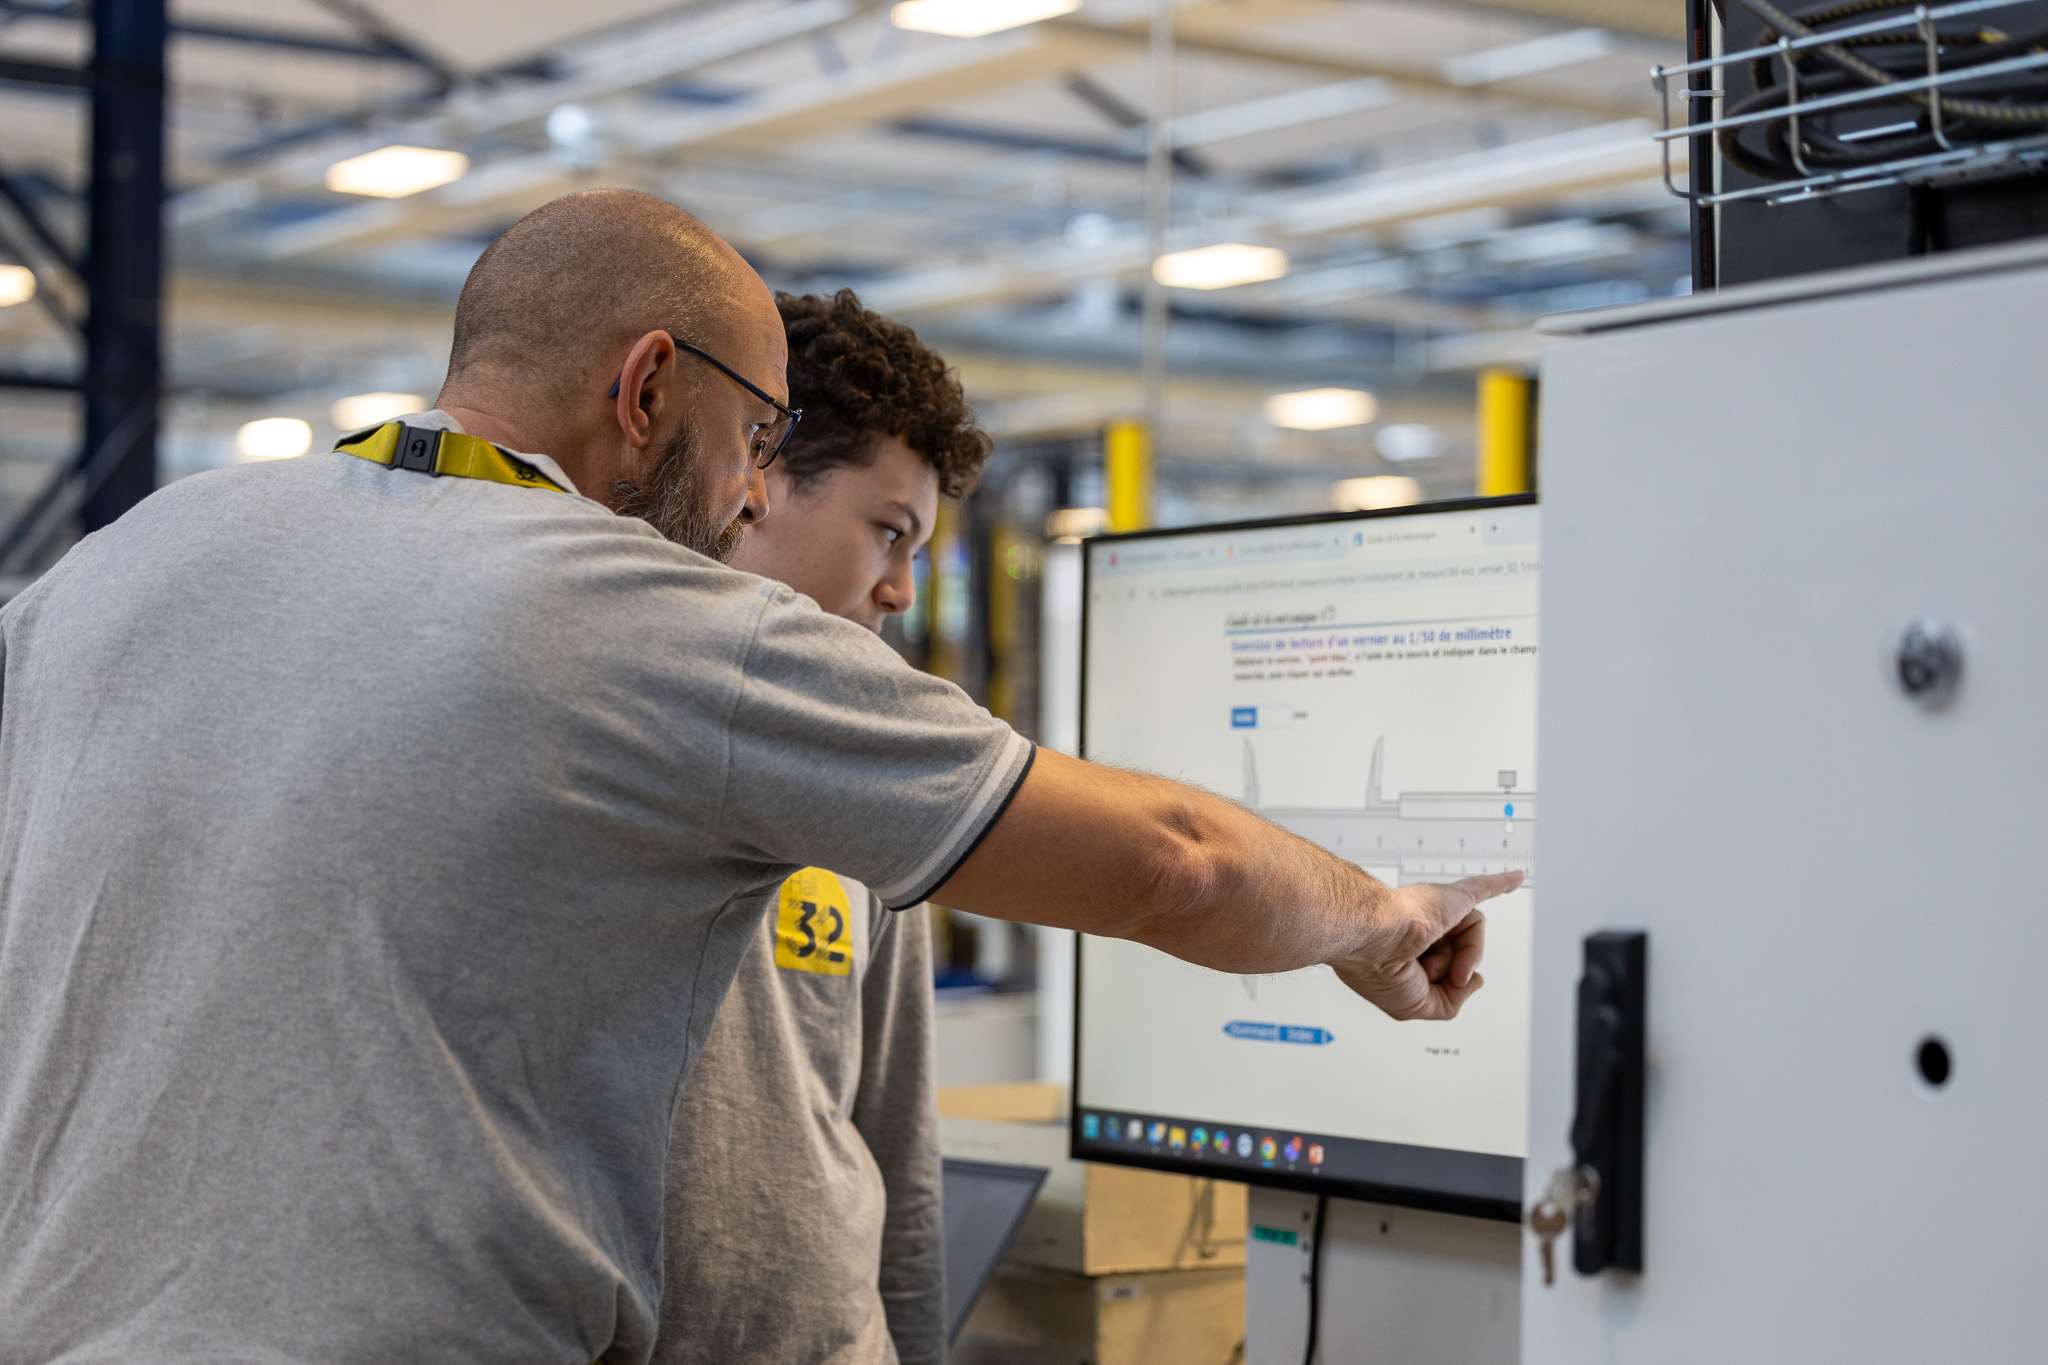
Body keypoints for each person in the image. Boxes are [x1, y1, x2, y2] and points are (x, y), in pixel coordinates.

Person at [0, 189, 1516, 1365]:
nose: (741, 500)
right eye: (757, 439)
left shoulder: (102, 575)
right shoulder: (645, 624)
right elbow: (1172, 860)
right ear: (650, 387)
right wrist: (1380, 919)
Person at [651, 289, 981, 1365]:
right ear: (758, 474)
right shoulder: (596, 714)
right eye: (888, 532)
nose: (898, 591)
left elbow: (893, 1138)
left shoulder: (874, 772)